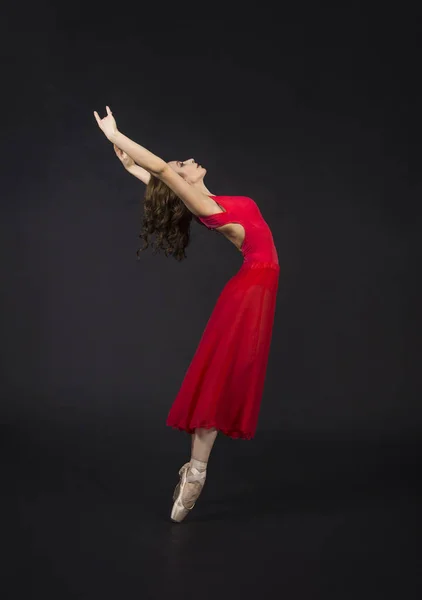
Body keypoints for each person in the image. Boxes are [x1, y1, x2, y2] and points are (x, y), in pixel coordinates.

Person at [94, 106, 280, 523]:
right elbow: (162, 170)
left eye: (185, 164)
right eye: (183, 165)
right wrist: (116, 137)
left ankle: (195, 472)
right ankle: (196, 474)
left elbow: (162, 180)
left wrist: (130, 171)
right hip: (250, 293)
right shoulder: (202, 204)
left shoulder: (208, 201)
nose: (187, 162)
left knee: (226, 376)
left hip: (254, 291)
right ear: (184, 180)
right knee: (219, 377)